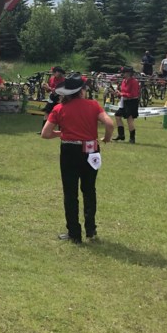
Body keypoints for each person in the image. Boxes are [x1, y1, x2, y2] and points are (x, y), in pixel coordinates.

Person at [40, 73, 115, 244]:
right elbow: (110, 124)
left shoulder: (59, 108)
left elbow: (45, 133)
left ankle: (74, 233)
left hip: (69, 150)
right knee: (89, 190)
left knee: (70, 192)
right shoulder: (93, 105)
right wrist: (107, 138)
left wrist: (62, 133)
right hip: (91, 150)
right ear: (82, 90)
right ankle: (91, 229)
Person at [112, 65, 140, 144]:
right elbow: (123, 92)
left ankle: (132, 138)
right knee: (117, 116)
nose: (122, 74)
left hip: (132, 102)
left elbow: (133, 94)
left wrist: (121, 94)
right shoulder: (124, 81)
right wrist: (117, 93)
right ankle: (121, 135)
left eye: (123, 72)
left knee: (129, 120)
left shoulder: (134, 82)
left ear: (128, 73)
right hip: (124, 101)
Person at [40, 66, 66, 133]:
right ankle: (43, 130)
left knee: (61, 114)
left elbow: (58, 91)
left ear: (59, 72)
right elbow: (49, 91)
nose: (53, 74)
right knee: (47, 113)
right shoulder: (51, 79)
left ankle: (61, 131)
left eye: (55, 72)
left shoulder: (64, 80)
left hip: (60, 98)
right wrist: (45, 87)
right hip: (52, 97)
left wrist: (49, 88)